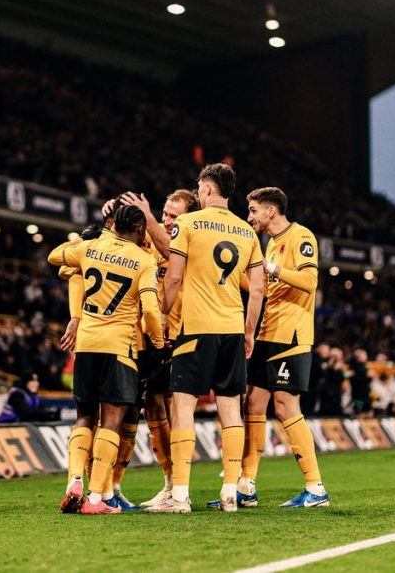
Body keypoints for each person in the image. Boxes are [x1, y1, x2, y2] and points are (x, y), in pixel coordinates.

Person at [145, 163, 265, 514]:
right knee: (231, 410)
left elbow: (174, 278)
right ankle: (230, 491)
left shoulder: (189, 224)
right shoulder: (247, 232)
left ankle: (179, 496)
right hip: (231, 329)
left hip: (196, 329)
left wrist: (164, 313)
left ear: (209, 189)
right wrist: (248, 331)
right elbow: (257, 289)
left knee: (182, 406)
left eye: (200, 188)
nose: (197, 193)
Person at [212, 186, 328, 510]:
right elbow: (262, 284)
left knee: (287, 406)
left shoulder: (301, 237)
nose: (249, 217)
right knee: (253, 403)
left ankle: (315, 487)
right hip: (267, 332)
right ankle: (246, 485)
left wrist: (273, 269)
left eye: (253, 211)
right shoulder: (271, 244)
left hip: (290, 335)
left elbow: (309, 281)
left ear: (271, 211)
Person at [48, 204, 163, 515]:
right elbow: (151, 310)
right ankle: (96, 498)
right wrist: (157, 338)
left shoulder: (92, 247)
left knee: (84, 418)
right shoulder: (144, 260)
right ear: (140, 231)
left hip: (86, 345)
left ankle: (74, 479)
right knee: (111, 423)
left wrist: (84, 241)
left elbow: (55, 256)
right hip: (119, 348)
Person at [119, 188, 201, 508]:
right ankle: (111, 485)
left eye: (173, 216)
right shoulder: (149, 240)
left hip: (176, 337)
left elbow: (171, 250)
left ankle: (174, 484)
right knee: (135, 410)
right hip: (141, 337)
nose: (167, 221)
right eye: (165, 214)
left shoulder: (191, 240)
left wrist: (151, 219)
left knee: (163, 409)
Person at [349, 349, 371, 417]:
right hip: (358, 394)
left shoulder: (364, 366)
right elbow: (353, 378)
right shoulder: (354, 367)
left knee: (367, 412)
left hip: (365, 393)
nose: (366, 357)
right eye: (364, 355)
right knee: (358, 412)